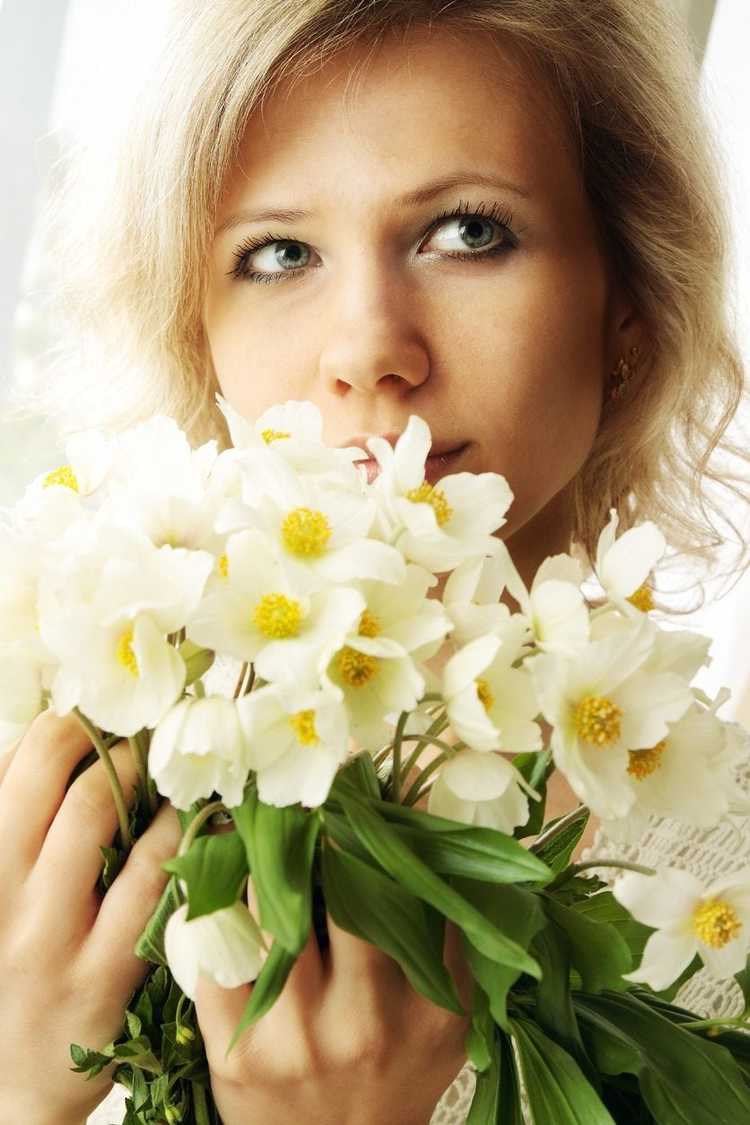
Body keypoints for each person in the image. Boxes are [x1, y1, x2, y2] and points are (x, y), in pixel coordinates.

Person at [2, 1, 749, 1122]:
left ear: (627, 304)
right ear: (194, 330)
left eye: (467, 233)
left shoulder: (718, 886)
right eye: (279, 252)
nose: (367, 352)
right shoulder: (59, 793)